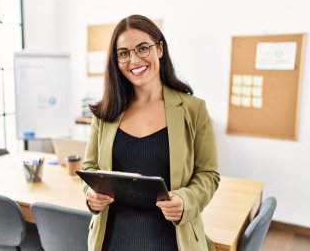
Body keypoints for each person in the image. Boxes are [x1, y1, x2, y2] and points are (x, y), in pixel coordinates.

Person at [82, 14, 220, 251]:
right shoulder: (105, 112)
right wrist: (91, 195)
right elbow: (90, 168)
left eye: (142, 48)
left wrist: (186, 200)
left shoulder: (193, 109)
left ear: (160, 49)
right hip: (112, 238)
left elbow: (208, 174)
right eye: (124, 53)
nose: (134, 59)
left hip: (174, 238)